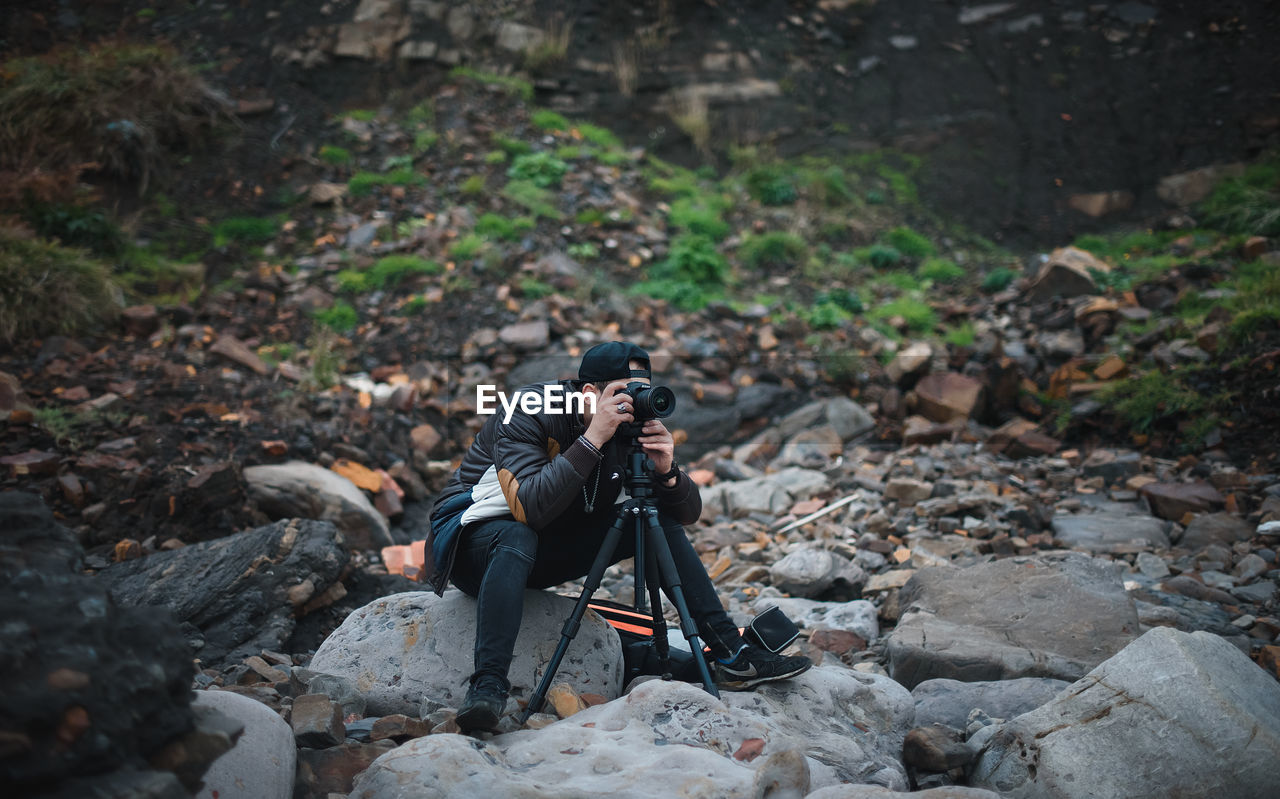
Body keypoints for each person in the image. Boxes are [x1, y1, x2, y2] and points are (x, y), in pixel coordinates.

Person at [423, 341, 811, 732]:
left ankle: (731, 654)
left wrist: (667, 471)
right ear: (590, 394)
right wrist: (593, 438)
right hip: (471, 546)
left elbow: (686, 516)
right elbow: (529, 507)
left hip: (541, 548)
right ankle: (488, 686)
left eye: (640, 391)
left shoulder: (627, 427)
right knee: (515, 535)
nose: (633, 403)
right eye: (624, 392)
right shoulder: (530, 408)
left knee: (648, 517)